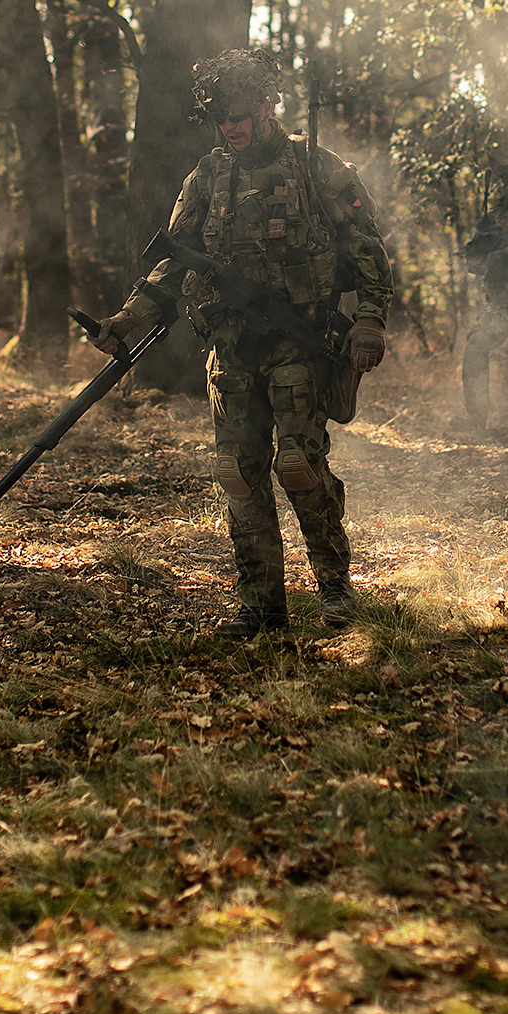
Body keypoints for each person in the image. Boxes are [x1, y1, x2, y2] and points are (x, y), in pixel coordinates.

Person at [100, 49, 398, 636]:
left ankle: (335, 588)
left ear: (267, 106)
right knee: (239, 472)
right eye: (219, 117)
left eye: (238, 113)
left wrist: (369, 321)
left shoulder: (316, 167)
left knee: (300, 467)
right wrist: (128, 319)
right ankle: (261, 604)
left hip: (299, 345)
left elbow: (368, 248)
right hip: (230, 350)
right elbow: (171, 260)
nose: (230, 126)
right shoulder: (208, 176)